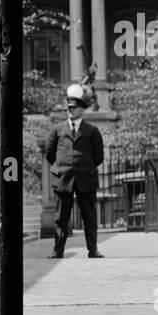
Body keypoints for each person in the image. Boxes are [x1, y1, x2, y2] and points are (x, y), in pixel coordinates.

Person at [44, 83, 105, 259]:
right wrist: (60, 169)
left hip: (86, 178)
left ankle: (93, 249)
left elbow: (98, 156)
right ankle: (58, 250)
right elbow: (49, 153)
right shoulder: (57, 129)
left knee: (89, 216)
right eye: (69, 107)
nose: (71, 110)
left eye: (74, 107)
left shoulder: (92, 131)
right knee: (61, 217)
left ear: (82, 110)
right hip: (63, 179)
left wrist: (85, 168)